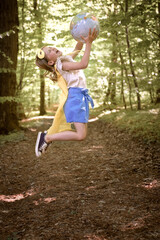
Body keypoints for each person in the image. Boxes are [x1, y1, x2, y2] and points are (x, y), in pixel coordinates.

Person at [35, 28, 97, 157]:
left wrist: (82, 37)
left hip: (79, 97)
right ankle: (47, 138)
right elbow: (83, 64)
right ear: (51, 62)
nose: (53, 48)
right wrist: (89, 43)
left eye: (52, 47)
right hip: (75, 99)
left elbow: (78, 48)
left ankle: (47, 137)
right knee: (80, 135)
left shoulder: (64, 59)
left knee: (82, 135)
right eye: (50, 51)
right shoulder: (62, 65)